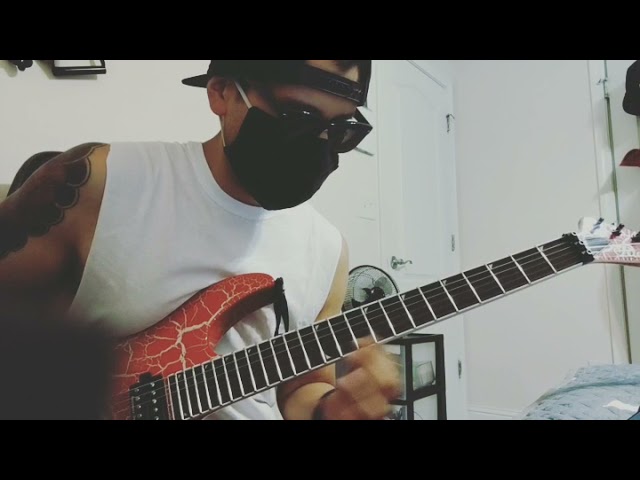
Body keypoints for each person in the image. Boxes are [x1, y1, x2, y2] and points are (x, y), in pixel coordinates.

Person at [0, 60, 401, 420]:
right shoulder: (102, 183)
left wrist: (334, 408)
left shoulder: (328, 250)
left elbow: (302, 387)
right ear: (222, 92)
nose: (318, 144)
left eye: (341, 130)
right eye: (298, 116)